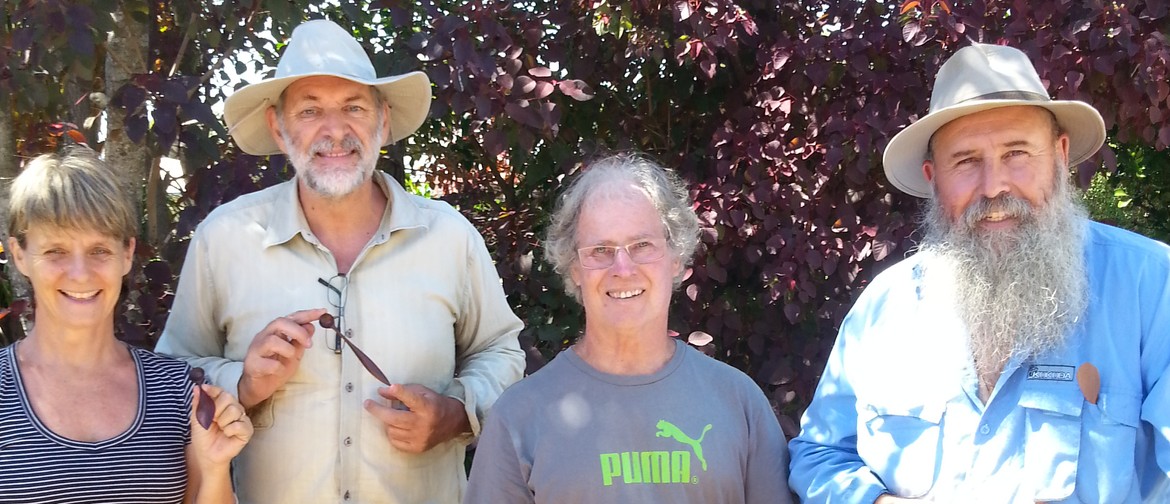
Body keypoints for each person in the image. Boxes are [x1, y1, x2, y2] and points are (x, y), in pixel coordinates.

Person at [154, 19, 525, 504]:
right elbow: (171, 377)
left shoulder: (448, 237)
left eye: (354, 107)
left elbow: (501, 352)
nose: (334, 131)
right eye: (310, 111)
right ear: (279, 128)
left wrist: (456, 412)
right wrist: (242, 384)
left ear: (383, 121)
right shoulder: (224, 240)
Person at [788, 43, 1170, 503]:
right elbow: (819, 455)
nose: (994, 186)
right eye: (966, 161)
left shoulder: (1152, 286)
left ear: (1061, 156)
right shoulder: (885, 307)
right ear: (933, 178)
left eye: (1017, 153)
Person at [463, 154, 792, 504]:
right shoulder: (518, 417)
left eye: (642, 245)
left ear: (676, 257)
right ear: (574, 267)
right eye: (601, 250)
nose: (622, 268)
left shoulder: (738, 402)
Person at [0, 147, 253, 503]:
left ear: (127, 253)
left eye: (99, 250)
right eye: (55, 251)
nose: (80, 273)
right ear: (20, 254)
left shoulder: (178, 391)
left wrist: (213, 469)